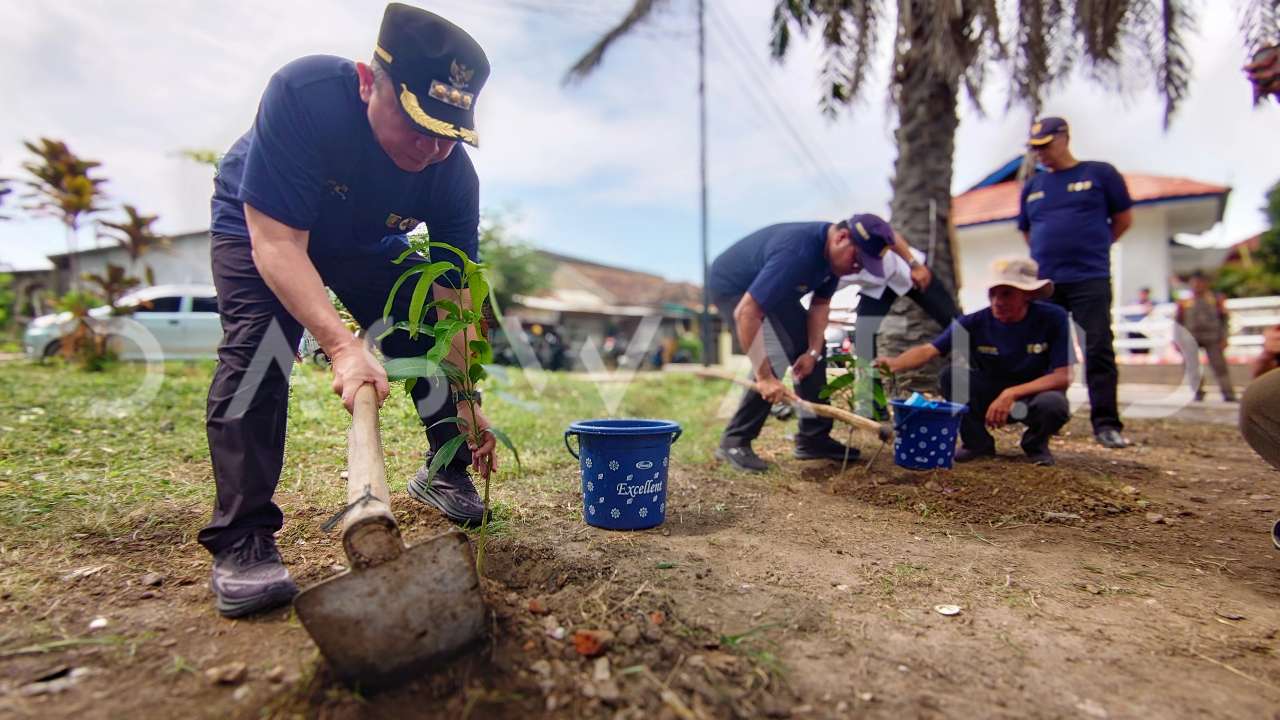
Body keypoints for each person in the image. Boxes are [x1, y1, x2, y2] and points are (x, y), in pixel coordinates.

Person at [202, 4, 499, 618]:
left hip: (364, 240)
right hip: (264, 218)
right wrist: (342, 346)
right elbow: (279, 245)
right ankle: (243, 537)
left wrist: (468, 399)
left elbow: (454, 297)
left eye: (450, 133)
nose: (432, 147)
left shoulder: (450, 176)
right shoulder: (306, 95)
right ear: (370, 82)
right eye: (418, 124)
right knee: (260, 349)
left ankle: (445, 473)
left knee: (421, 330)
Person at [706, 214, 871, 471]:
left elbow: (820, 305)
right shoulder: (798, 251)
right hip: (733, 286)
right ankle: (734, 441)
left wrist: (812, 352)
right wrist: (764, 377)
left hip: (773, 290)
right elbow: (746, 312)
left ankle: (813, 438)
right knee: (778, 348)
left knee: (812, 346)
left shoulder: (833, 260)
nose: (857, 268)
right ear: (841, 237)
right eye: (857, 259)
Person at [877, 258, 1073, 466]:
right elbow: (929, 350)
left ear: (1027, 295)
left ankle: (1036, 444)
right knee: (951, 376)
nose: (997, 301)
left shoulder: (1053, 318)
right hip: (988, 395)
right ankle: (976, 442)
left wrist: (1011, 393)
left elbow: (1063, 376)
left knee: (1054, 404)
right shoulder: (974, 321)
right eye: (993, 293)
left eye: (1007, 293)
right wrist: (894, 363)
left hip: (1031, 397)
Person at [1018, 116, 1133, 449]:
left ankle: (1106, 424)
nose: (1040, 154)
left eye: (1045, 146)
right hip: (1046, 283)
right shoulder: (1033, 187)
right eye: (1034, 149)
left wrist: (1093, 247)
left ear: (1064, 138)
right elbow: (1028, 231)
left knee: (1097, 348)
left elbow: (1123, 219)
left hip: (1089, 278)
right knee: (1042, 352)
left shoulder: (1099, 174)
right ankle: (1042, 421)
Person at [838, 220, 960, 360]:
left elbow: (892, 237)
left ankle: (981, 367)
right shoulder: (833, 271)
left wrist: (915, 265)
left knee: (955, 322)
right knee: (863, 338)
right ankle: (869, 381)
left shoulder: (865, 226)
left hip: (905, 272)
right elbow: (819, 303)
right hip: (874, 288)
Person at [1176, 271, 1237, 402]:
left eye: (1200, 283)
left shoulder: (1215, 299)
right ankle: (1197, 393)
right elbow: (1178, 323)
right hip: (1190, 338)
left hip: (1213, 337)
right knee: (1192, 367)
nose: (1197, 286)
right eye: (1194, 283)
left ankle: (1228, 393)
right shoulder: (1185, 302)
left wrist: (1225, 337)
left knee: (1220, 367)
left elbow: (1224, 319)